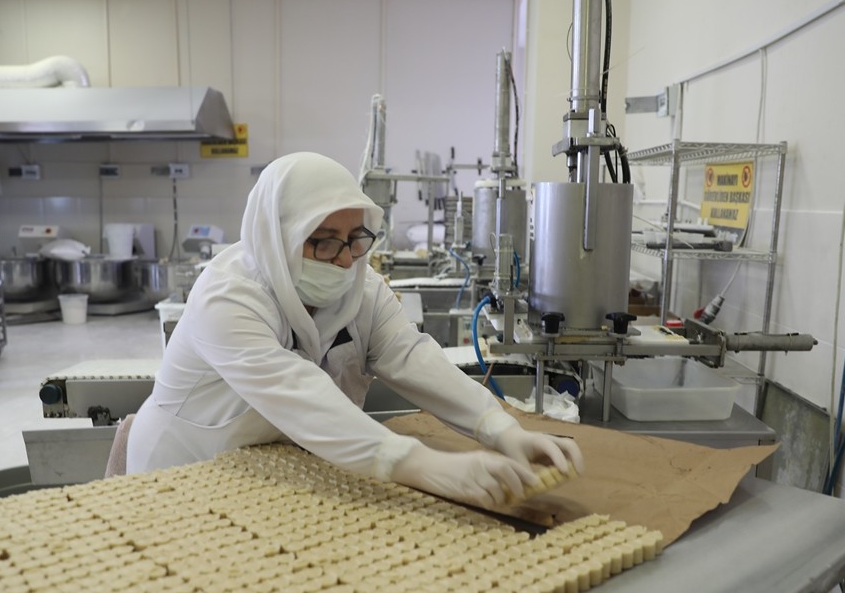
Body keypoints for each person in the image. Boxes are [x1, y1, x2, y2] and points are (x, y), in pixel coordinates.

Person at [127, 152, 583, 508]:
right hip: (182, 475)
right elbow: (300, 394)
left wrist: (500, 428)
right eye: (324, 241)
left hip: (274, 473)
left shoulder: (361, 288)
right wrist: (425, 466)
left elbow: (411, 356)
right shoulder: (227, 299)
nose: (346, 260)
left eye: (356, 237)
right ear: (279, 238)